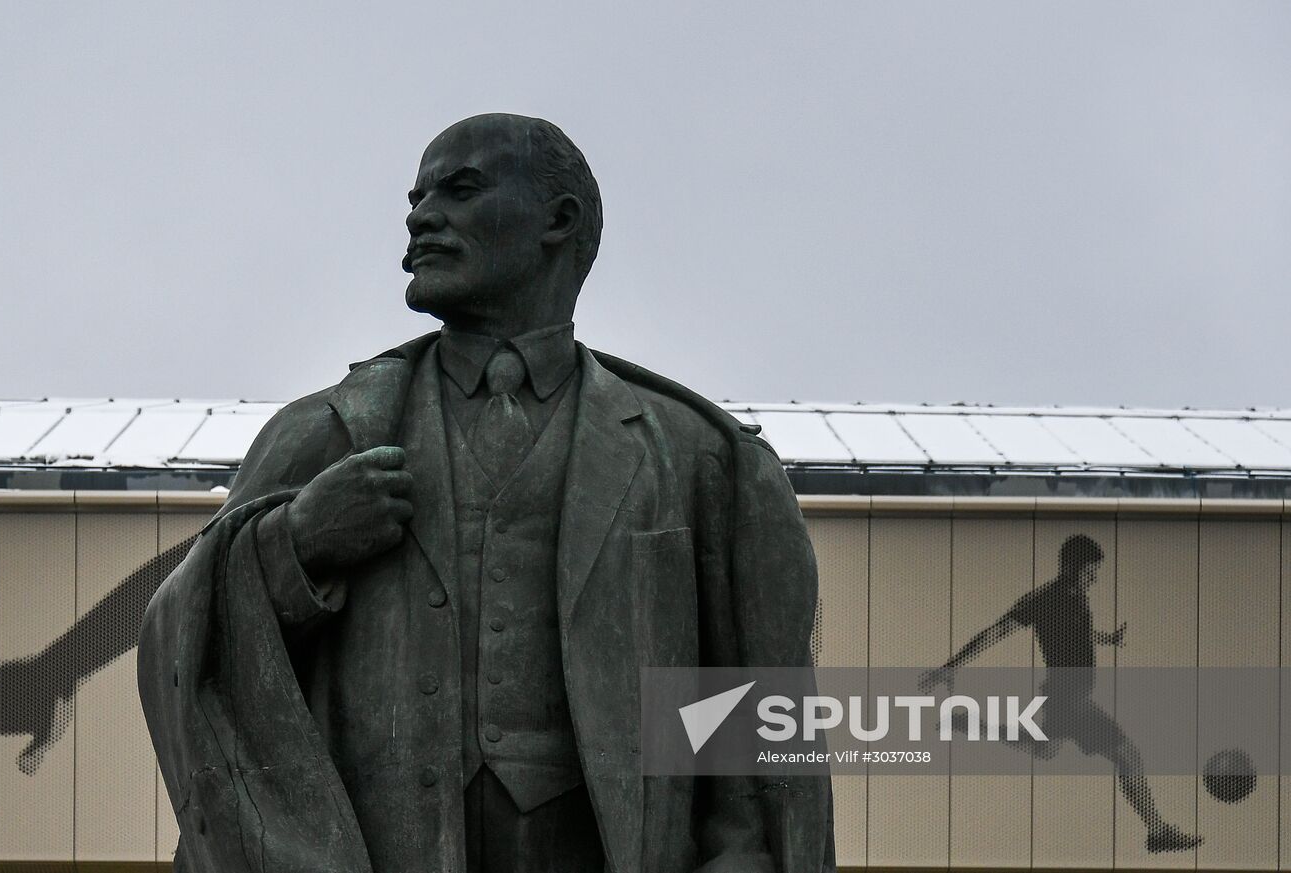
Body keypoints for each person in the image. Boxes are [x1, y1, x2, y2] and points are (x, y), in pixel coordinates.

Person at [137, 113, 834, 873]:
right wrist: (295, 542)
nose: (420, 215)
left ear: (558, 221)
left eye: (459, 190)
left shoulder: (700, 457)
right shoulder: (327, 433)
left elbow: (758, 710)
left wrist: (744, 852)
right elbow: (185, 630)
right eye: (417, 196)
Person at [919, 534, 1199, 854]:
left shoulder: (1076, 594)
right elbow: (998, 630)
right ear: (1069, 566)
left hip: (1063, 697)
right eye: (1088, 571)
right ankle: (1159, 832)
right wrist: (951, 666)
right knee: (1130, 757)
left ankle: (966, 722)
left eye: (1095, 572)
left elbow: (1078, 630)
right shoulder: (1045, 599)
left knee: (1045, 750)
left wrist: (1106, 639)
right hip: (1071, 700)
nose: (1094, 578)